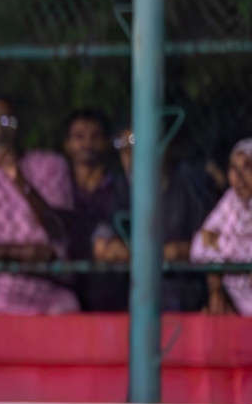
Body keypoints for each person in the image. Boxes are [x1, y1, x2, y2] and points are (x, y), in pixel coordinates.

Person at [0, 97, 78, 315]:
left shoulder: (51, 165)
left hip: (51, 291)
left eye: (7, 121)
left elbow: (59, 229)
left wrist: (18, 178)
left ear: (22, 125)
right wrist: (25, 253)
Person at [93, 126, 216, 313]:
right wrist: (154, 254)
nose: (130, 157)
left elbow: (210, 243)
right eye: (123, 148)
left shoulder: (189, 183)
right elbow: (102, 247)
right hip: (133, 295)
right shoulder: (120, 189)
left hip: (185, 292)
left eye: (136, 146)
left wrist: (180, 250)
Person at [61, 109, 130, 311]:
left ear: (107, 142)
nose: (87, 143)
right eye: (79, 136)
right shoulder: (58, 188)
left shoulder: (123, 187)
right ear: (67, 144)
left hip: (113, 287)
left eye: (95, 136)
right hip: (67, 287)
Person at [191, 139, 252, 315]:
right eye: (233, 168)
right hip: (232, 307)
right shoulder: (230, 200)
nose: (239, 177)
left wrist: (220, 244)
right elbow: (198, 246)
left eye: (247, 166)